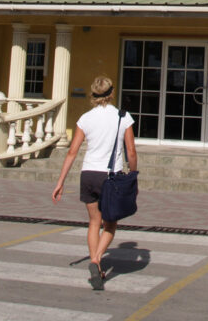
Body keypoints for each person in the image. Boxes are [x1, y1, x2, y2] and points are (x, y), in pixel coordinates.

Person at [52, 75, 137, 290]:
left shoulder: (85, 118)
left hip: (88, 174)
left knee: (93, 222)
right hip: (110, 177)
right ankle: (96, 259)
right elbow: (131, 151)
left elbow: (72, 151)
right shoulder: (123, 117)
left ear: (93, 94)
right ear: (111, 93)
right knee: (110, 223)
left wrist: (60, 181)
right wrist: (133, 174)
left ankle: (96, 267)